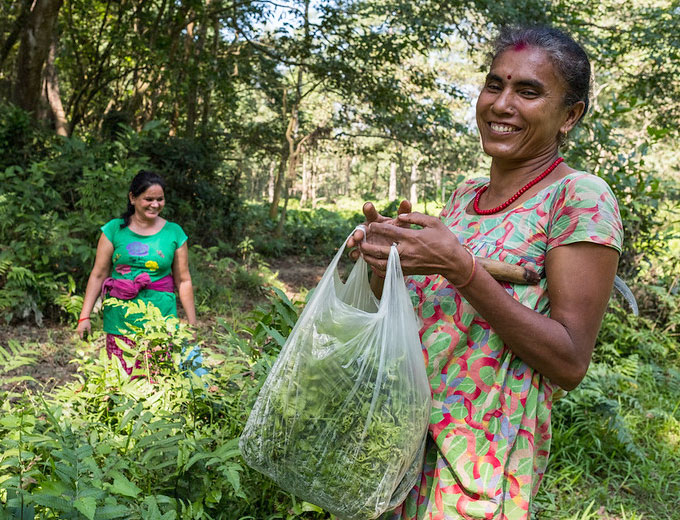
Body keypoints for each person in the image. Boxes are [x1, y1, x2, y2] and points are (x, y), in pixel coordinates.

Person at [348, 25, 623, 519]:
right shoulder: (464, 195)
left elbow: (569, 361)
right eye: (495, 84)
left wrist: (463, 269)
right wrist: (383, 262)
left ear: (570, 115)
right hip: (404, 439)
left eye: (529, 91)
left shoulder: (579, 197)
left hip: (480, 456)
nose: (501, 104)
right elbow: (424, 316)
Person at [76, 170, 197, 376]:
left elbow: (183, 280)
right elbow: (98, 274)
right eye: (148, 199)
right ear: (133, 198)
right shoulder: (114, 230)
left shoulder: (174, 232)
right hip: (120, 315)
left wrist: (192, 322)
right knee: (121, 377)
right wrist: (84, 316)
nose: (155, 204)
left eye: (160, 199)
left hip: (161, 315)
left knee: (158, 378)